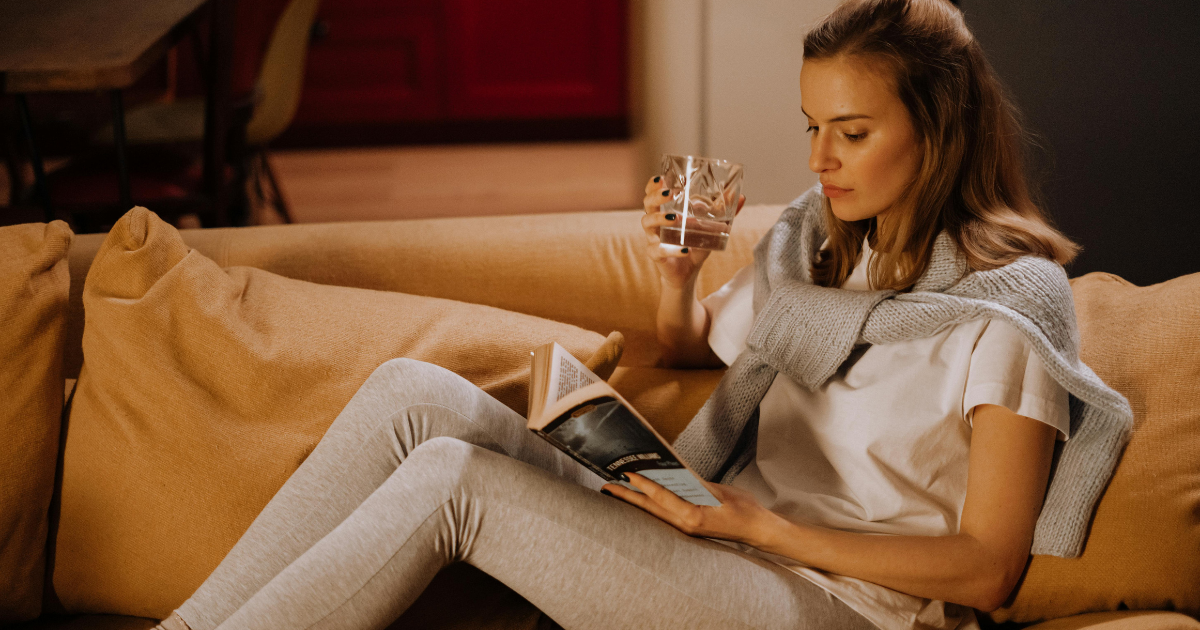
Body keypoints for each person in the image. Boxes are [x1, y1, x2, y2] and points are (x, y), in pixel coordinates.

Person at [154, 1, 1131, 629]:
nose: (819, 158)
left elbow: (987, 567)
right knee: (414, 395)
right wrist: (679, 271)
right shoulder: (824, 249)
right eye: (811, 127)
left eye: (853, 131)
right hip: (721, 531)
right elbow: (694, 346)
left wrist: (760, 525)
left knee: (456, 479)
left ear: (940, 129)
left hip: (839, 605)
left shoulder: (1010, 311)